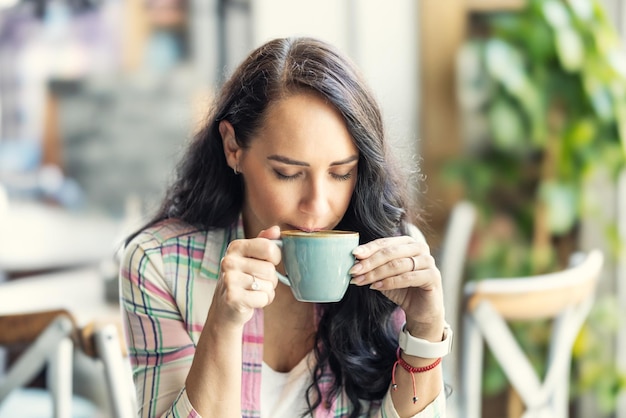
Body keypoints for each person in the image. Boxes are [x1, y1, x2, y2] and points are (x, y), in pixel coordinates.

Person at [119, 36, 449, 418]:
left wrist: (425, 330)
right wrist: (224, 325)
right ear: (233, 147)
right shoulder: (160, 264)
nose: (317, 205)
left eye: (341, 173)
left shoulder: (393, 254)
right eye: (288, 173)